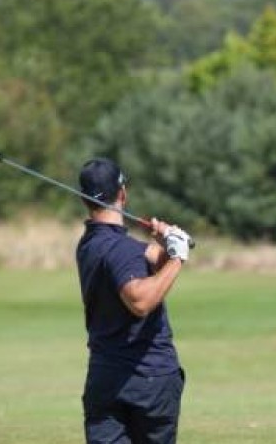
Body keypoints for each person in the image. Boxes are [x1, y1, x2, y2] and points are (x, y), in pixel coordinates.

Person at [76, 157, 194, 444]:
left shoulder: (89, 244)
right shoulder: (120, 249)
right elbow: (140, 301)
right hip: (147, 380)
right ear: (123, 193)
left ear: (85, 200)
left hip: (104, 377)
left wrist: (166, 243)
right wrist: (178, 258)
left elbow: (149, 257)